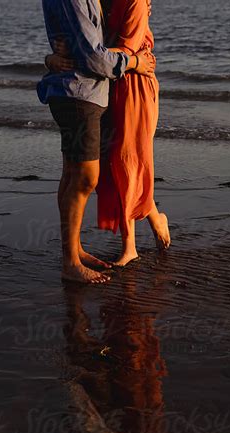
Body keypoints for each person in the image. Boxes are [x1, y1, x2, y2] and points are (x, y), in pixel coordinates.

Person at [38, 0, 156, 284]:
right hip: (79, 94)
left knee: (72, 174)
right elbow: (93, 57)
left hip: (76, 92)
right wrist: (137, 62)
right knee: (85, 177)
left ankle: (74, 252)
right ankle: (70, 262)